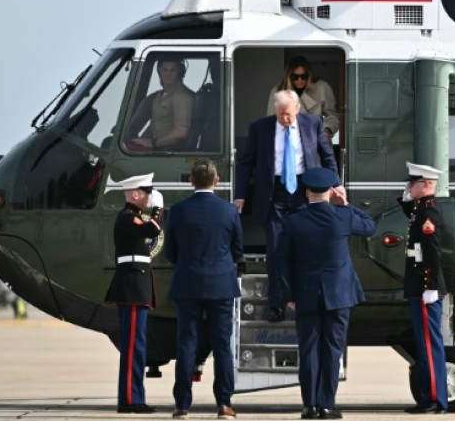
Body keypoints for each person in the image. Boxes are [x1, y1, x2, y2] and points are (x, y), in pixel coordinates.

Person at [234, 90, 345, 322]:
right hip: (273, 194)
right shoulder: (260, 128)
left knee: (305, 249)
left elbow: (328, 156)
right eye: (281, 114)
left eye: (289, 114)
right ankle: (277, 303)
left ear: (297, 109)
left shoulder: (313, 123)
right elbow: (245, 164)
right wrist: (240, 195)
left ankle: (306, 301)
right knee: (276, 251)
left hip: (305, 193)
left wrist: (336, 184)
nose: (285, 119)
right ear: (275, 110)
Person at [276, 168, 375, 420]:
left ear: (307, 192)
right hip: (339, 294)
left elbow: (282, 261)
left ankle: (309, 405)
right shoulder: (342, 217)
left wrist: (288, 295)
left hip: (306, 294)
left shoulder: (293, 220)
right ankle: (327, 405)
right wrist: (346, 204)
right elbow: (370, 227)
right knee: (332, 349)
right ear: (331, 191)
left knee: (309, 349)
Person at [164, 159, 244, 420]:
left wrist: (188, 265)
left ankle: (182, 405)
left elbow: (170, 251)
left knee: (186, 343)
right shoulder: (229, 211)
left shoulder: (177, 211)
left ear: (190, 181)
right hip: (221, 285)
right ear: (217, 181)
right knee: (222, 346)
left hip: (187, 283)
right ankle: (224, 404)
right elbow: (237, 249)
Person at [103, 173, 163, 414]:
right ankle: (130, 399)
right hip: (132, 290)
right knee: (133, 347)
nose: (149, 196)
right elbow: (153, 228)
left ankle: (133, 398)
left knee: (137, 346)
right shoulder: (128, 218)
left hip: (136, 290)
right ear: (135, 194)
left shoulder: (133, 217)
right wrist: (159, 208)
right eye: (147, 192)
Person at [399, 162, 449, 414]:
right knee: (425, 343)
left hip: (424, 288)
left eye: (413, 183)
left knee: (429, 344)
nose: (409, 186)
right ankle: (430, 397)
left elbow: (431, 252)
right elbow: (412, 213)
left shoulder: (429, 214)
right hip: (420, 287)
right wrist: (406, 196)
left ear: (427, 184)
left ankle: (434, 400)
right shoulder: (421, 209)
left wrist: (429, 287)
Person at [127, 57, 194, 151]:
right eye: (165, 70)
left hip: (167, 150)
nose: (168, 74)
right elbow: (154, 126)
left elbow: (181, 132)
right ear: (159, 72)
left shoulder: (182, 96)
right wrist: (138, 141)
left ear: (180, 72)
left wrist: (153, 143)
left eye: (173, 70)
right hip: (156, 147)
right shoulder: (157, 96)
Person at [268, 56, 340, 139]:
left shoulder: (322, 88)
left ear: (309, 75)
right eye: (295, 77)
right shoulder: (278, 91)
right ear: (288, 76)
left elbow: (334, 116)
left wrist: (327, 129)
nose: (299, 80)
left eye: (303, 76)